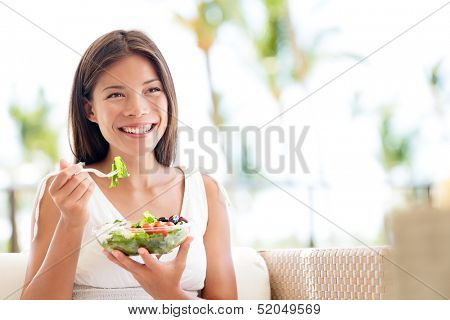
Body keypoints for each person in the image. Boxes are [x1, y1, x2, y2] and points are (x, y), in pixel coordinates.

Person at [20, 29, 238, 300]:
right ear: (90, 110)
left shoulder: (206, 192)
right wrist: (71, 223)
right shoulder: (62, 192)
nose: (137, 108)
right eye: (116, 95)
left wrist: (169, 294)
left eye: (152, 90)